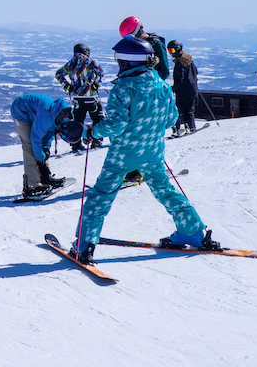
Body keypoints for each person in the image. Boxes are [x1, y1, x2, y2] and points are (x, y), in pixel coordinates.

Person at [68, 36, 220, 264]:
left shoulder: (123, 88)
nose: (118, 65)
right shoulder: (161, 85)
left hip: (123, 154)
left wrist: (91, 132)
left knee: (100, 197)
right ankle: (193, 232)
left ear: (127, 62)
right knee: (164, 189)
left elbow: (116, 125)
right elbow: (171, 119)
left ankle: (84, 245)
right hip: (153, 151)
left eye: (119, 61)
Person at [118, 16, 169, 185]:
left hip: (151, 95)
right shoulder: (136, 46)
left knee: (146, 133)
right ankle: (134, 170)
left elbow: (164, 71)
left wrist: (149, 81)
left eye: (130, 37)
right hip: (137, 93)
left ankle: (144, 169)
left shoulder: (156, 45)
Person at [9, 93, 72, 199]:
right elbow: (35, 137)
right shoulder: (47, 117)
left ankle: (45, 177)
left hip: (32, 112)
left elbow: (49, 133)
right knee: (29, 146)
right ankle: (32, 185)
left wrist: (46, 148)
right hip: (20, 111)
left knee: (42, 148)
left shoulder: (57, 114)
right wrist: (41, 157)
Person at [54, 43, 105, 153]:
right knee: (97, 118)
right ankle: (96, 141)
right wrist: (96, 84)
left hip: (76, 97)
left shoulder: (71, 63)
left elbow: (59, 74)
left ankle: (76, 144)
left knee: (77, 120)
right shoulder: (92, 62)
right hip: (91, 96)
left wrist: (67, 86)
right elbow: (100, 73)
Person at [168, 40, 199, 136]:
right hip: (192, 88)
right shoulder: (188, 59)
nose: (171, 53)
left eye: (172, 50)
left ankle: (178, 129)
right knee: (189, 109)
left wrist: (173, 88)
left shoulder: (179, 63)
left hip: (183, 90)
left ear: (177, 49)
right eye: (169, 50)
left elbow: (179, 78)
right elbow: (196, 72)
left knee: (179, 109)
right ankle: (191, 126)